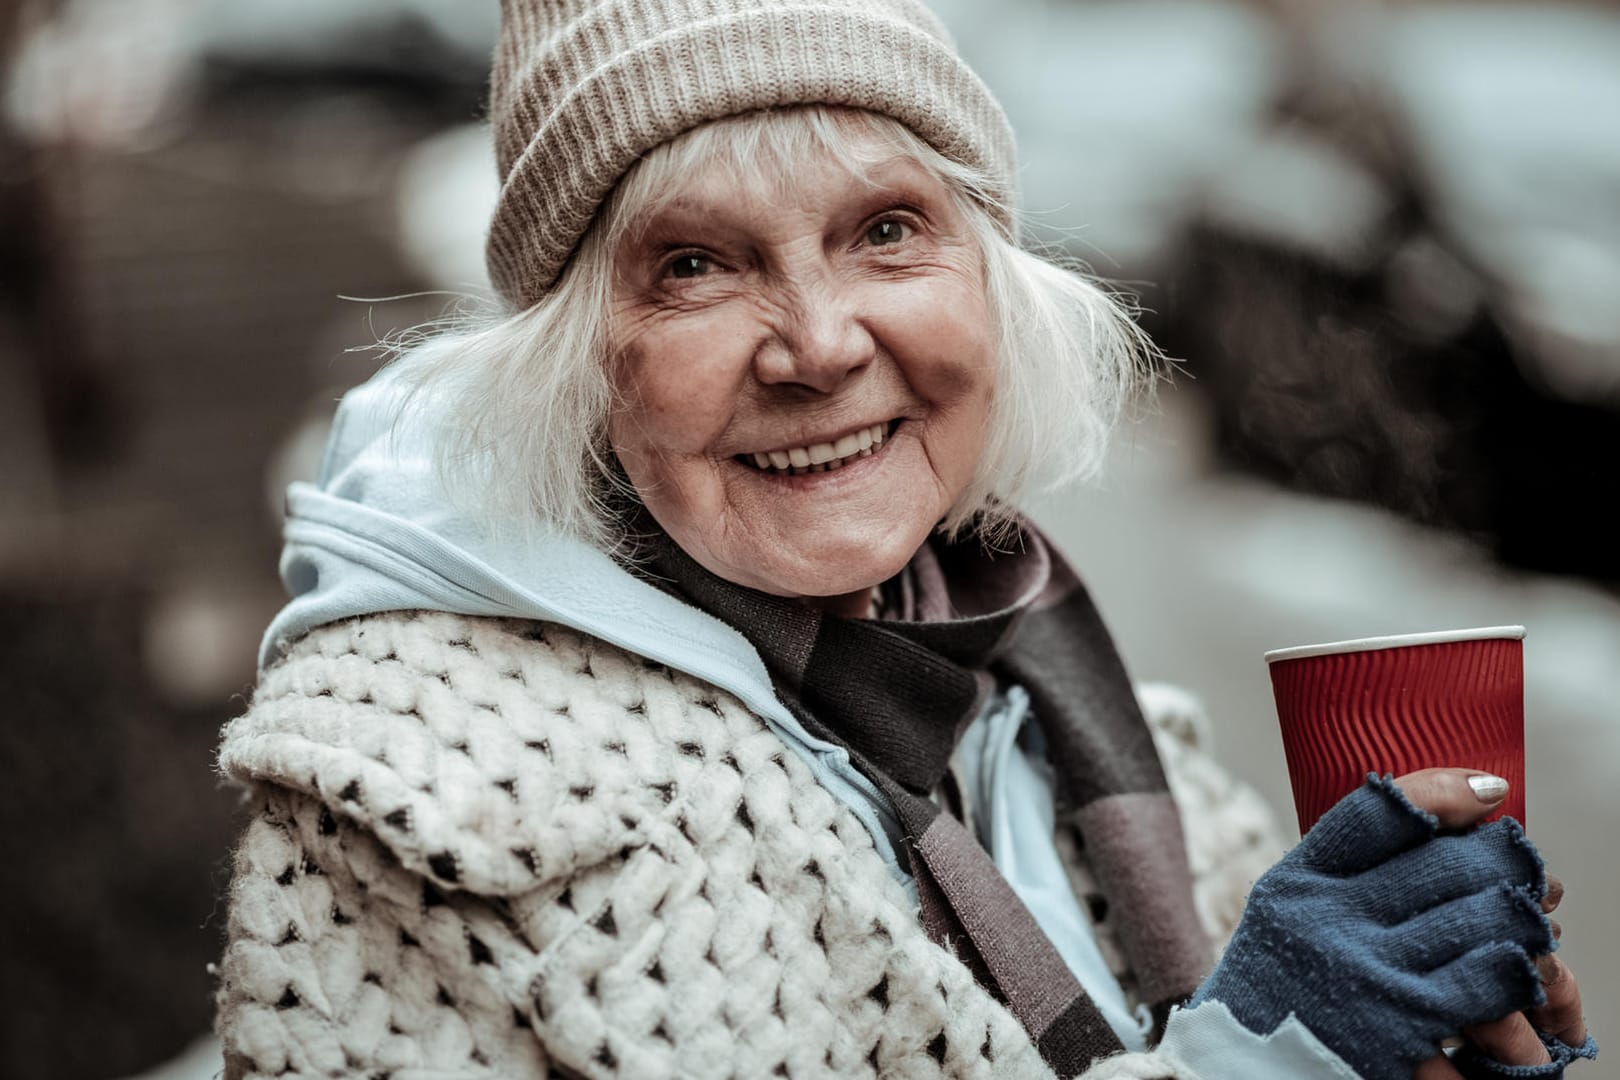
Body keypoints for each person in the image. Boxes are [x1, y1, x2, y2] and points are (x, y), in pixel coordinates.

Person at [211, 1, 1596, 1077]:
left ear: (993, 286)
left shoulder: (1049, 685)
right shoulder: (410, 809)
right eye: (694, 264)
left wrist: (1407, 1037)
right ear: (581, 361)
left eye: (886, 230)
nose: (819, 343)